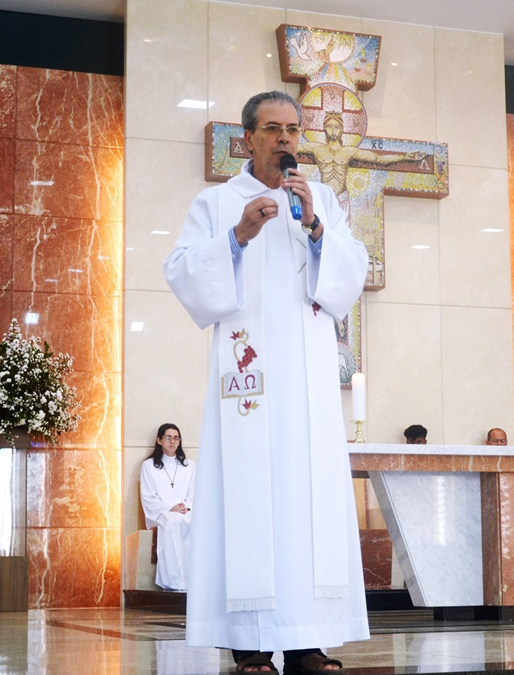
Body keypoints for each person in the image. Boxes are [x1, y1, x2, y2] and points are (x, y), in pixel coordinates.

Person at [165, 90, 370, 674]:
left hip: (307, 388)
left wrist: (317, 228)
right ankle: (249, 645)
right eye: (273, 128)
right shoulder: (217, 202)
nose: (285, 139)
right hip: (247, 385)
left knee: (307, 504)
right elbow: (182, 271)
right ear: (248, 138)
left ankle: (307, 642)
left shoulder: (318, 197)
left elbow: (350, 274)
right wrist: (237, 236)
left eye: (293, 129)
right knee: (247, 499)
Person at [140, 423, 195, 591]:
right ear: (159, 440)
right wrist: (172, 507)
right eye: (168, 437)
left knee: (193, 522)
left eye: (176, 438)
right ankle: (174, 582)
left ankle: (193, 581)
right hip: (161, 513)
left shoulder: (189, 465)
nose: (173, 441)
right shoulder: (149, 466)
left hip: (186, 511)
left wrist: (185, 507)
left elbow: (194, 493)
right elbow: (148, 497)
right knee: (173, 522)